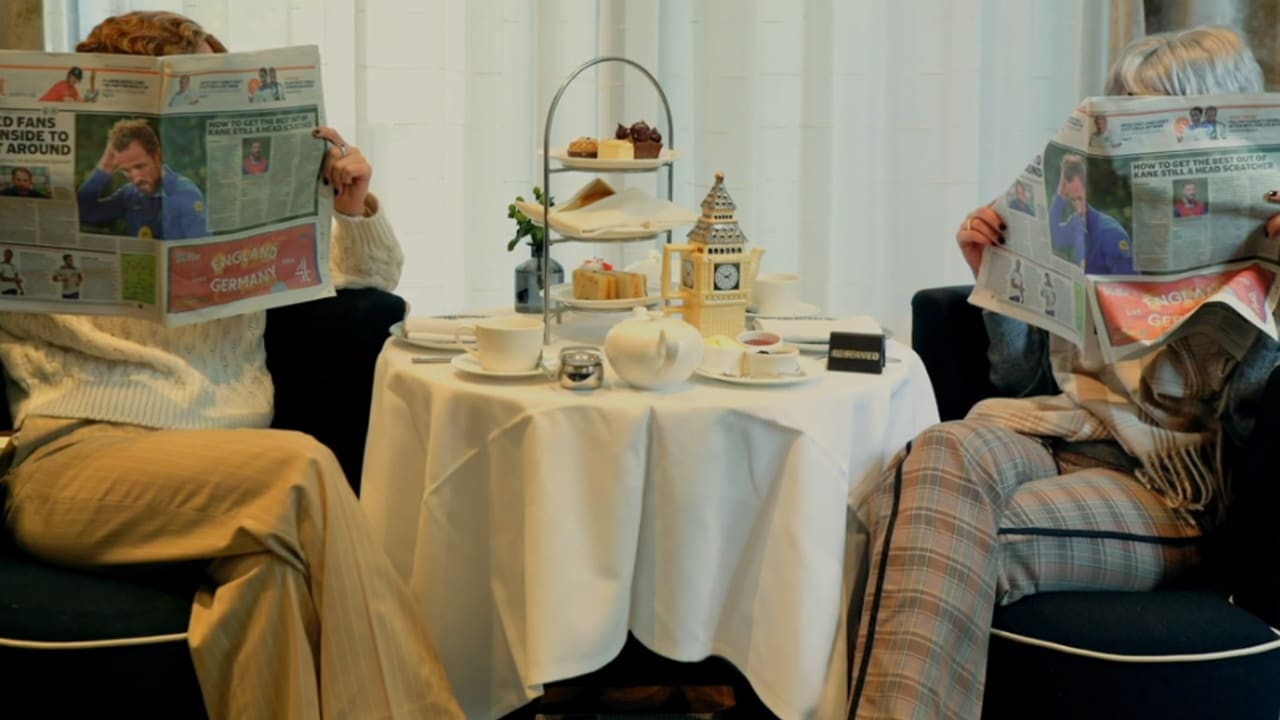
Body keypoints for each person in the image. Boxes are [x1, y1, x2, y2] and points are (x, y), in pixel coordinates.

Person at [1, 11, 462, 720]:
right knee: (303, 468)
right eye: (120, 159)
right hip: (72, 459)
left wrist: (351, 204)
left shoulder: (195, 198)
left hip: (226, 467)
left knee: (268, 580)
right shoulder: (73, 194)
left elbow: (368, 284)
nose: (133, 172)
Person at [851, 26, 1280, 719]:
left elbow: (1252, 424)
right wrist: (993, 279)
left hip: (1171, 488)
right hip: (1057, 433)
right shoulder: (1087, 208)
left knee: (918, 519)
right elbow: (1018, 383)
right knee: (940, 452)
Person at [76, 118, 209, 240]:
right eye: (126, 170)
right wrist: (104, 168)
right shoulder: (129, 195)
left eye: (140, 166)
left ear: (157, 156)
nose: (136, 178)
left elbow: (201, 250)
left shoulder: (186, 193)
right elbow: (82, 213)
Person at [1048, 152, 1134, 274]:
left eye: (1080, 198)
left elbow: (1126, 286)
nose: (1079, 209)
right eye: (1073, 200)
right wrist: (1060, 195)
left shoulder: (1112, 233)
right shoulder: (1076, 222)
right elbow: (1052, 237)